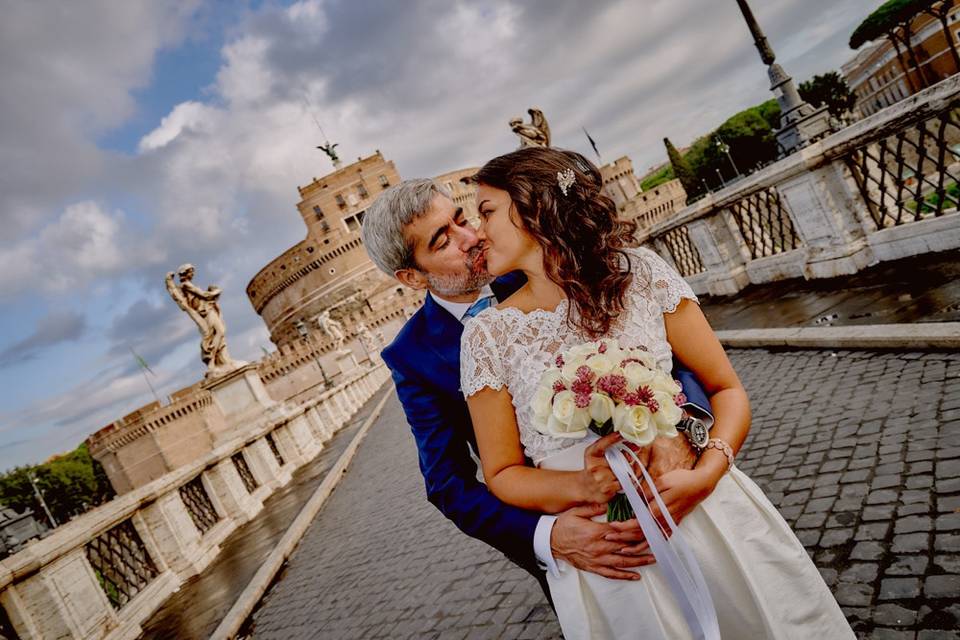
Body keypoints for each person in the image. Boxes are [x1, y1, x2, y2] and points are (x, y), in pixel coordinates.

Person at [459, 146, 854, 639]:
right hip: (612, 552)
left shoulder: (641, 275)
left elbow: (726, 389)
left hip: (703, 507)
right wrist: (581, 487)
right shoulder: (487, 336)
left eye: (487, 212)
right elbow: (500, 473)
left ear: (532, 205)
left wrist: (707, 474)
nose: (476, 231)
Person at [361, 178, 715, 601]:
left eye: (462, 220)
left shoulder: (542, 267)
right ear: (412, 276)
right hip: (575, 535)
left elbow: (665, 352)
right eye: (443, 241)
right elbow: (446, 483)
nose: (472, 238)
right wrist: (547, 536)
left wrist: (687, 431)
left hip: (670, 480)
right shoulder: (411, 355)